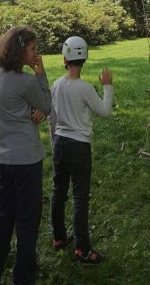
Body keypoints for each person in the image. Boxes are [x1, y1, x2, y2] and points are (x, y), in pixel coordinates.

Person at [0, 26, 51, 285]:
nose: (36, 54)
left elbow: (22, 107)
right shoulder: (27, 81)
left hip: (1, 160)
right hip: (26, 162)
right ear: (20, 51)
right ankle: (23, 279)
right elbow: (46, 104)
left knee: (2, 222)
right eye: (33, 49)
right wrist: (41, 75)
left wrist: (33, 111)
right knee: (27, 225)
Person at [49, 36, 114, 265]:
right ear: (84, 58)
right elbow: (105, 111)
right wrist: (107, 85)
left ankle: (58, 238)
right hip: (79, 146)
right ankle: (82, 249)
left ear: (65, 59)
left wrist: (53, 141)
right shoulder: (85, 88)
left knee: (58, 191)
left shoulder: (56, 85)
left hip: (60, 143)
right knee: (79, 197)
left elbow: (53, 118)